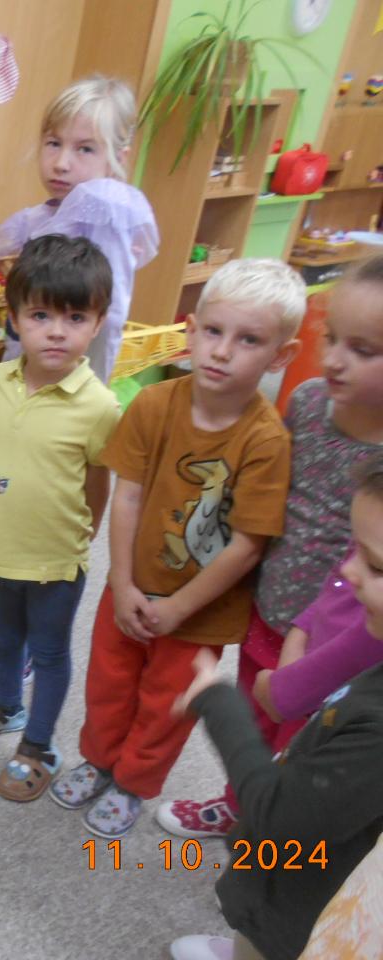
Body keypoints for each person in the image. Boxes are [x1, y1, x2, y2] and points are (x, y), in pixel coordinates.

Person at [49, 258, 304, 839]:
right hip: (130, 589)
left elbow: (248, 545)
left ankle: (133, 783)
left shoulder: (266, 441)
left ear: (281, 356)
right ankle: (99, 761)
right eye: (213, 331)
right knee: (108, 684)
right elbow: (128, 496)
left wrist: (179, 608)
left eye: (249, 340)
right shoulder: (153, 405)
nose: (222, 351)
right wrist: (122, 583)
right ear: (191, 330)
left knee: (167, 705)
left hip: (199, 614)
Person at [0, 73, 159, 699]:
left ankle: (29, 652)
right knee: (9, 515)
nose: (63, 162)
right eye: (53, 143)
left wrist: (86, 395)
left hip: (69, 401)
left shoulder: (103, 207)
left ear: (119, 155)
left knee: (47, 526)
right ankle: (3, 636)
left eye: (85, 148)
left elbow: (108, 317)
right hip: (27, 389)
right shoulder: (44, 219)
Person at [160, 254, 383, 839]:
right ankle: (239, 805)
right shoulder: (307, 401)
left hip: (339, 637)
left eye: (363, 350)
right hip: (270, 606)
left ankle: (271, 845)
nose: (334, 360)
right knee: (253, 718)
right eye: (332, 338)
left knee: (302, 751)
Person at [169, 454, 383, 960]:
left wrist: (216, 700)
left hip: (305, 914)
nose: (347, 570)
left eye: (375, 565)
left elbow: (276, 820)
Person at [0, 235, 120, 803]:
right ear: (15, 318)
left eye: (75, 317)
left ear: (97, 323)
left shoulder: (100, 406)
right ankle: (6, 707)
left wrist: (82, 538)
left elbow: (99, 483)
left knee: (48, 652)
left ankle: (38, 744)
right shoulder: (1, 379)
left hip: (54, 561)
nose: (57, 331)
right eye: (41, 315)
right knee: (2, 637)